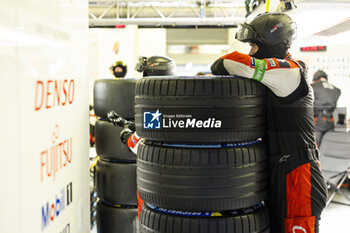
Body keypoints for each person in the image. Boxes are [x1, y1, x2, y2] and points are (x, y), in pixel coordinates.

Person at [210, 12, 327, 233]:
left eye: (254, 46)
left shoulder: (291, 71)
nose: (250, 51)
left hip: (298, 176)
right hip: (283, 172)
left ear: (272, 42)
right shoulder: (276, 78)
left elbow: (229, 62)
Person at [311, 70, 341, 146]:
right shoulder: (336, 89)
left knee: (315, 149)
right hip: (331, 123)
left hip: (317, 123)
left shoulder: (313, 86)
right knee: (327, 148)